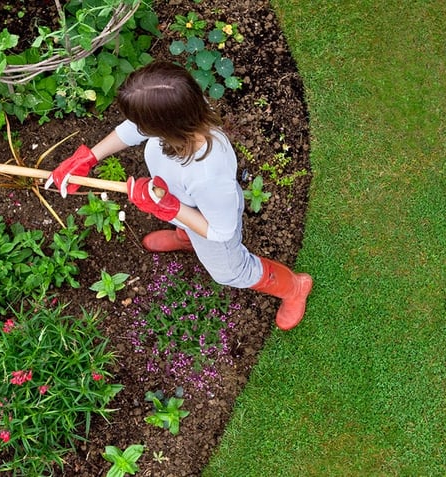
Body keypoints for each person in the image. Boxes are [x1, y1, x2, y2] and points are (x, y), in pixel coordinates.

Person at [45, 61, 313, 331]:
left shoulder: (208, 174)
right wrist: (89, 157)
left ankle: (294, 287)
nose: (136, 127)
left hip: (211, 224)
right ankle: (185, 238)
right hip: (186, 204)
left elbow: (221, 231)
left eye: (142, 123)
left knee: (232, 273)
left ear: (164, 126)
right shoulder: (185, 108)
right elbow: (133, 130)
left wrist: (169, 208)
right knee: (186, 223)